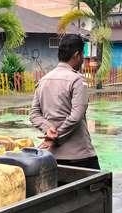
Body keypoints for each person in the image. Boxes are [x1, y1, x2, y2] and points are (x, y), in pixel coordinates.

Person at [29, 33, 99, 169]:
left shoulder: (44, 80)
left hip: (52, 157)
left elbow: (34, 114)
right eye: (82, 56)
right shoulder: (77, 80)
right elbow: (76, 116)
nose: (82, 60)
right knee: (100, 187)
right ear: (77, 55)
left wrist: (49, 130)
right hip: (80, 156)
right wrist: (56, 137)